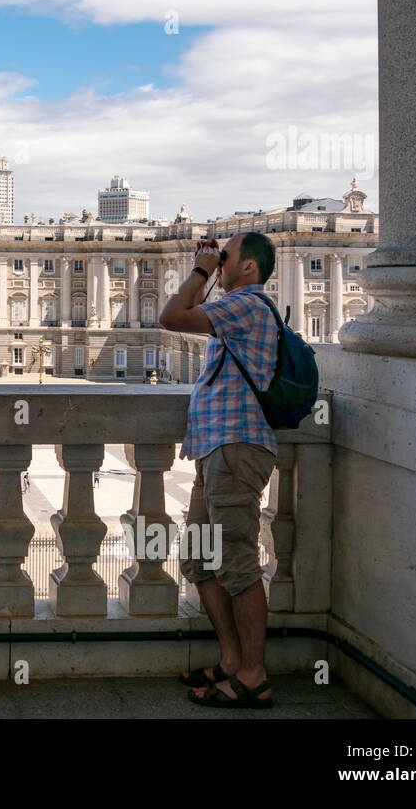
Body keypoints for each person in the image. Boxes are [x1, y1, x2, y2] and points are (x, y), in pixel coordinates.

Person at [160, 232, 279, 709]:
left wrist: (202, 269)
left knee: (236, 562)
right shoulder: (235, 310)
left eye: (227, 256)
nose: (219, 261)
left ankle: (254, 675)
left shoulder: (247, 304)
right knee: (198, 559)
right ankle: (232, 662)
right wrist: (208, 267)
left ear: (247, 267)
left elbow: (171, 317)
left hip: (236, 451)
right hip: (216, 452)